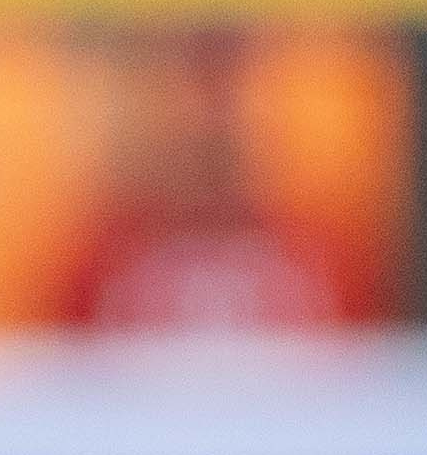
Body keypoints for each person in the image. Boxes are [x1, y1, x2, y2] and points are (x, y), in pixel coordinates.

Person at [36, 28, 380, 335]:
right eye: (195, 72)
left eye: (231, 70)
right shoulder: (102, 260)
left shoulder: (324, 256)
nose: (213, 106)